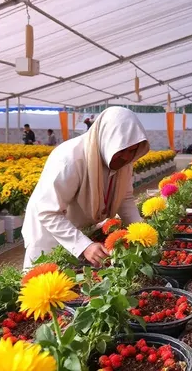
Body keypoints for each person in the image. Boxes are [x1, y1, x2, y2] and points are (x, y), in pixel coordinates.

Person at [22, 107, 150, 269]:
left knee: (76, 283)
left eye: (132, 151)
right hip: (48, 232)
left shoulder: (123, 163)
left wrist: (142, 231)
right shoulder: (69, 159)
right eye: (122, 150)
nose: (126, 157)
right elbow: (48, 212)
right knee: (43, 282)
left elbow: (124, 198)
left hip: (76, 227)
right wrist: (83, 245)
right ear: (107, 139)